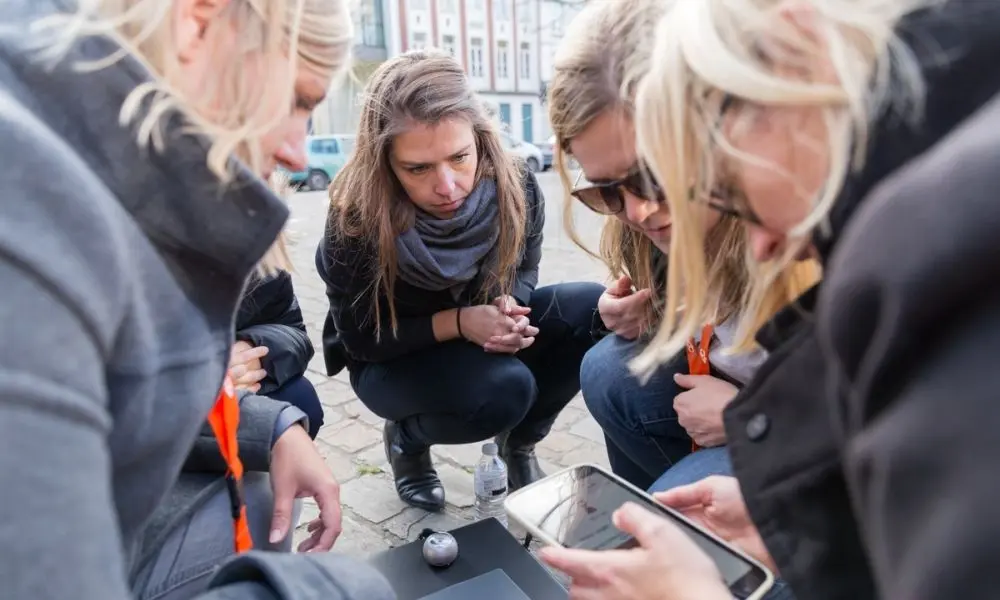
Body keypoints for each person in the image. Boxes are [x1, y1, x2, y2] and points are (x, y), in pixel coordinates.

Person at [541, 0, 1000, 599]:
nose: (761, 246)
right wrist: (803, 527)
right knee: (610, 374)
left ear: (794, 52)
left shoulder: (919, 252)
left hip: (755, 413)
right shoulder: (924, 178)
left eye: (711, 173)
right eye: (608, 193)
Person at [0, 1, 394, 599]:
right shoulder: (30, 209)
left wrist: (269, 426)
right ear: (199, 20)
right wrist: (337, 589)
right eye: (296, 99)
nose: (297, 152)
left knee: (267, 483)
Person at [548, 0, 819, 492]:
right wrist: (642, 313)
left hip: (813, 434)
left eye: (653, 176)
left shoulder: (809, 216)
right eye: (607, 191)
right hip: (738, 395)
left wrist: (750, 417)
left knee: (674, 519)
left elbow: (894, 414)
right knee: (610, 370)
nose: (637, 212)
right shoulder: (656, 224)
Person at [317, 49, 603, 512]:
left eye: (459, 157)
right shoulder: (354, 221)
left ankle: (519, 445)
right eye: (418, 168)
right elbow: (362, 340)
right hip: (392, 357)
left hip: (477, 330)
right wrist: (460, 322)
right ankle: (407, 441)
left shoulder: (517, 183)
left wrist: (509, 305)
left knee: (591, 307)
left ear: (479, 137)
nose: (447, 186)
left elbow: (525, 268)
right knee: (506, 390)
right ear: (384, 163)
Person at [234, 271, 324, 438]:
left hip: (233, 383)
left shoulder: (264, 268)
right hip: (186, 397)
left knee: (301, 398)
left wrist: (254, 350)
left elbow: (292, 328)